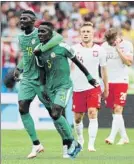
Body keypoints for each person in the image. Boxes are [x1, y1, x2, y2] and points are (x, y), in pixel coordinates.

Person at [34, 21, 98, 158]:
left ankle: (74, 142)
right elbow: (42, 72)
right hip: (50, 89)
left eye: (43, 31)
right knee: (57, 117)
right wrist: (42, 87)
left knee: (56, 113)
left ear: (51, 33)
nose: (40, 34)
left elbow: (78, 63)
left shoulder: (63, 47)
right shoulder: (38, 51)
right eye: (38, 32)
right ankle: (67, 148)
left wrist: (89, 77)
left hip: (64, 86)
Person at [14, 10, 63, 159]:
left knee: (54, 112)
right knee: (22, 107)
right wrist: (19, 68)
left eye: (25, 18)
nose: (22, 20)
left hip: (44, 79)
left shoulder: (42, 32)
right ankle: (36, 144)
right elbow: (27, 56)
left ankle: (69, 141)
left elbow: (59, 37)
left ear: (34, 20)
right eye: (21, 18)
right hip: (28, 78)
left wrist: (41, 48)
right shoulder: (21, 37)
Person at [71, 22, 108, 152]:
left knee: (92, 113)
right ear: (80, 34)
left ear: (93, 34)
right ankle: (80, 138)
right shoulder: (74, 49)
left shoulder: (99, 50)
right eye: (83, 32)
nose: (86, 34)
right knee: (77, 118)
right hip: (78, 88)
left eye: (88, 32)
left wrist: (106, 88)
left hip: (94, 87)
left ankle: (91, 144)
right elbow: (70, 68)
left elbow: (103, 70)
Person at [102, 28, 133, 145]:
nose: (111, 42)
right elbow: (102, 65)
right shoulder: (104, 46)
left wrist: (119, 50)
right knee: (114, 112)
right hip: (108, 82)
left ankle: (111, 137)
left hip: (121, 80)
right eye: (109, 40)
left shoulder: (127, 45)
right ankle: (124, 137)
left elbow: (129, 63)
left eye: (112, 39)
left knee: (118, 108)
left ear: (118, 36)